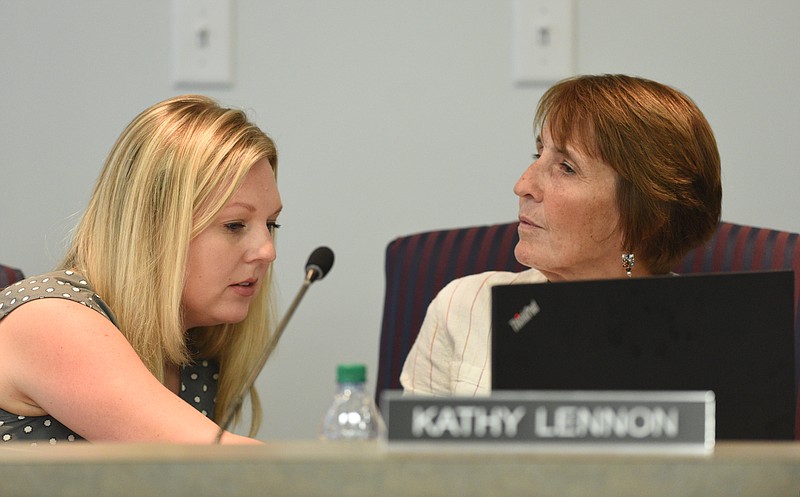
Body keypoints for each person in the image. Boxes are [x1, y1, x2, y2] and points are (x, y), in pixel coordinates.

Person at [400, 74, 722, 396]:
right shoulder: (464, 306)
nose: (523, 185)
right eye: (537, 156)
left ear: (647, 217)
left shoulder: (710, 334)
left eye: (566, 167)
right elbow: (411, 446)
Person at [0, 95, 282, 444]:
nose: (267, 251)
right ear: (153, 227)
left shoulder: (197, 348)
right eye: (235, 225)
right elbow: (235, 467)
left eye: (271, 224)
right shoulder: (49, 321)